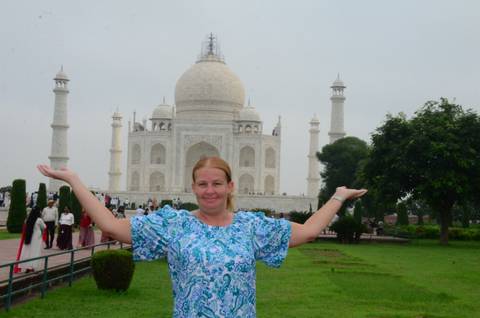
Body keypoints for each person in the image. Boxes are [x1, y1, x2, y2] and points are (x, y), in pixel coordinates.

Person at [37, 157, 367, 317]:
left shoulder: (251, 226)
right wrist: (75, 181)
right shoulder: (174, 224)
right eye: (203, 184)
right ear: (193, 188)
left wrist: (338, 196)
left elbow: (308, 232)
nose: (210, 191)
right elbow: (110, 226)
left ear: (230, 186)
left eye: (217, 183)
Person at [18, 207, 46, 272]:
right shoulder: (39, 220)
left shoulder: (28, 219)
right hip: (36, 237)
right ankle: (32, 267)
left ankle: (27, 267)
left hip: (29, 237)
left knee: (27, 251)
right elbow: (44, 226)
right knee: (34, 252)